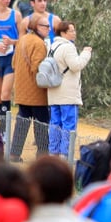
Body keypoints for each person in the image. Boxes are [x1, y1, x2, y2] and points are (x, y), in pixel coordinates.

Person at [45, 20, 93, 157]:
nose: (74, 33)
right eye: (71, 30)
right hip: (67, 93)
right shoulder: (68, 47)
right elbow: (76, 65)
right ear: (63, 32)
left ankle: (53, 151)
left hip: (54, 92)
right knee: (69, 124)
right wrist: (86, 53)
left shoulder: (52, 46)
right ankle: (65, 154)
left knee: (55, 123)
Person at [11, 14, 52, 161]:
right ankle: (43, 155)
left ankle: (14, 154)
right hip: (36, 92)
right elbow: (38, 68)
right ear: (36, 27)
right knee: (41, 124)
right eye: (45, 26)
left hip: (21, 90)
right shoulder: (39, 44)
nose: (49, 29)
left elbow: (13, 63)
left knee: (22, 122)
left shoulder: (22, 40)